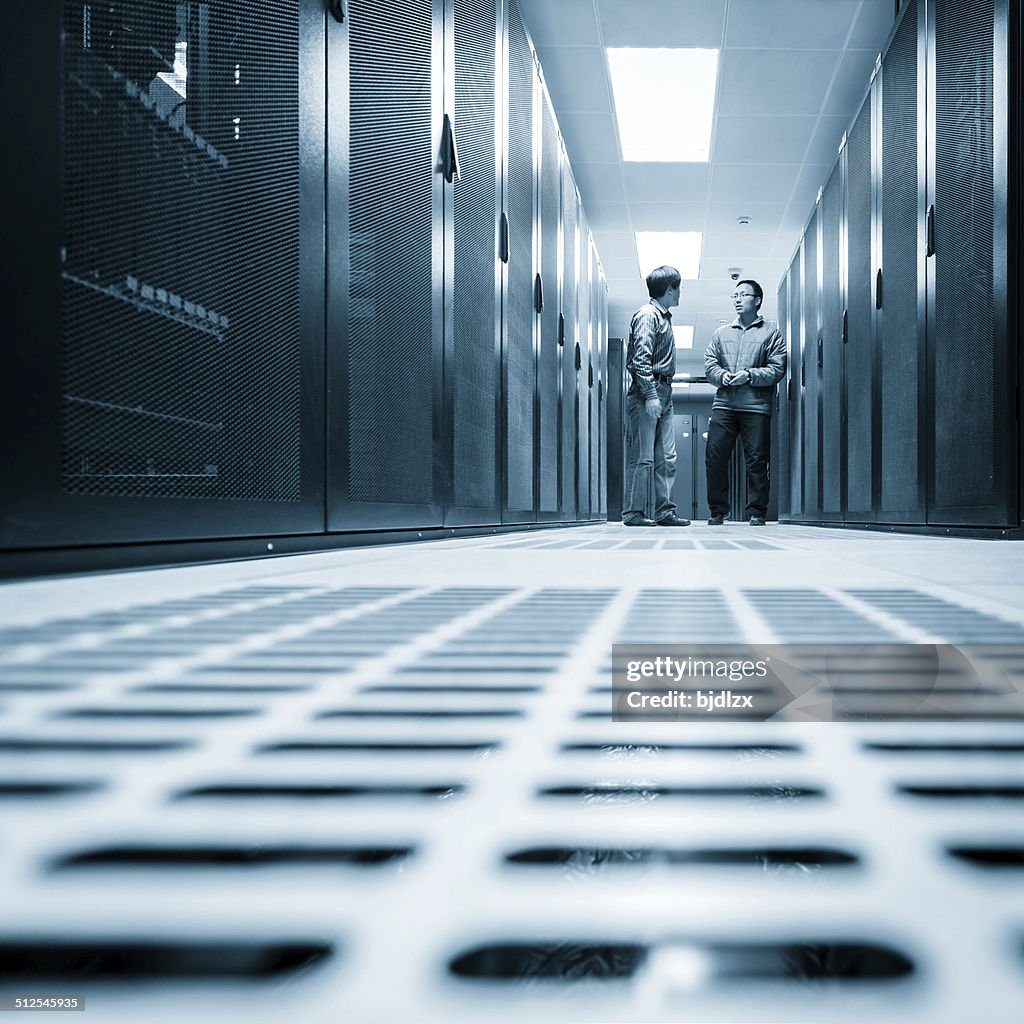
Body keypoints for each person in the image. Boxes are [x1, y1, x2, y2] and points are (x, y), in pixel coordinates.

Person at [704, 279, 787, 526]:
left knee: (757, 460)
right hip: (724, 404)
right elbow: (710, 364)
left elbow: (777, 369)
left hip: (756, 406)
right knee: (715, 456)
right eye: (735, 295)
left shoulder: (771, 332)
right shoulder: (721, 333)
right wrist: (722, 376)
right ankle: (718, 511)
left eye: (743, 295)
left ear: (757, 300)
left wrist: (749, 375)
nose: (738, 299)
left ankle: (756, 512)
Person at [621, 266, 690, 527]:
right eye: (678, 287)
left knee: (667, 457)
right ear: (670, 288)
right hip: (646, 392)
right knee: (643, 457)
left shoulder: (663, 317)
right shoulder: (647, 315)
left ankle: (665, 512)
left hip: (664, 392)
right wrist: (650, 395)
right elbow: (640, 360)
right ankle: (633, 513)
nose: (680, 293)